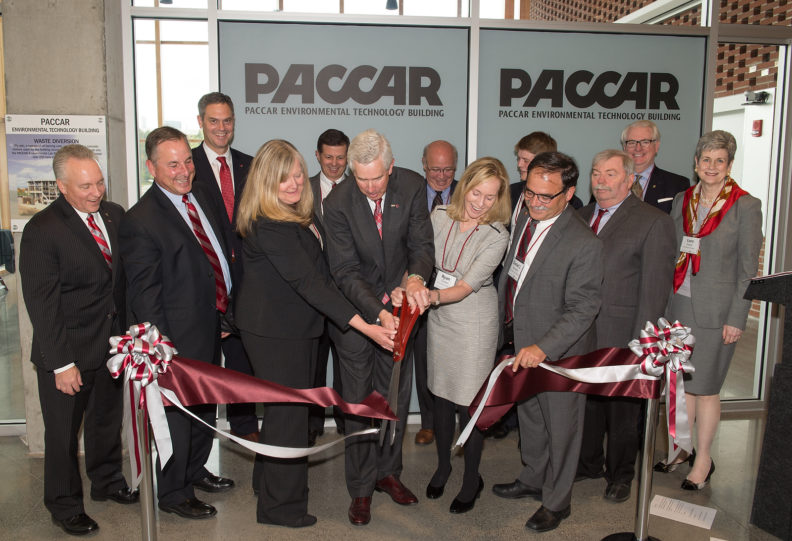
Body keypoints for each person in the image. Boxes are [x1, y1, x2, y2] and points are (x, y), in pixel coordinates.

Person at [234, 139, 395, 528]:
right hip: (275, 332)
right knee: (287, 416)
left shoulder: (296, 213)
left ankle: (266, 485)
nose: (293, 184)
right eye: (282, 179)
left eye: (295, 175)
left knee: (284, 413)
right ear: (263, 181)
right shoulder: (268, 223)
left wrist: (372, 299)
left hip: (300, 327)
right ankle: (280, 509)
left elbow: (327, 271)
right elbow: (311, 283)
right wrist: (368, 327)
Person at [19, 144, 138, 536]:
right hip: (68, 352)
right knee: (63, 435)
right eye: (85, 186)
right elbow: (42, 303)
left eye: (100, 182)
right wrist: (61, 363)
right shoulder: (43, 230)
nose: (95, 192)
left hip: (111, 348)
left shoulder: (114, 215)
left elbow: (119, 283)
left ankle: (107, 482)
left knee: (106, 422)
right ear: (61, 187)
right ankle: (64, 504)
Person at [120, 126, 235, 520]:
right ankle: (173, 492)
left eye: (188, 160)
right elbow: (144, 294)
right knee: (178, 418)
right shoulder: (141, 220)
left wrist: (223, 309)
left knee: (203, 409)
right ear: (151, 167)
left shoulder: (198, 195)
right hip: (176, 341)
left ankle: (194, 469)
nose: (184, 170)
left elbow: (213, 257)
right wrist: (163, 348)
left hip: (211, 323)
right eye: (173, 164)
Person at [322, 129, 434, 526]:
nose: (369, 187)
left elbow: (422, 246)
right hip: (356, 318)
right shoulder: (337, 202)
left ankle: (389, 473)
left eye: (377, 178)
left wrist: (417, 279)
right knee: (357, 402)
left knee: (396, 397)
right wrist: (379, 312)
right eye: (361, 178)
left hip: (403, 309)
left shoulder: (413, 185)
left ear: (391, 165)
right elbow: (345, 272)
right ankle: (361, 488)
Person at [492, 151, 602, 533]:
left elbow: (583, 308)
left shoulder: (582, 243)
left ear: (569, 194)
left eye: (546, 197)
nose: (535, 202)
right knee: (531, 418)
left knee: (562, 428)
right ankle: (533, 477)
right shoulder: (525, 217)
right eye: (531, 194)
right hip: (521, 342)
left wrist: (544, 347)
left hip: (559, 354)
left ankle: (557, 501)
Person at [396, 157, 509, 513]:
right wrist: (410, 282)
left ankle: (471, 478)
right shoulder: (440, 216)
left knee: (468, 405)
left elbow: (464, 287)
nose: (481, 202)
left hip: (473, 323)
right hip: (440, 321)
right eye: (477, 192)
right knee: (441, 397)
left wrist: (428, 296)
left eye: (490, 197)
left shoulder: (497, 235)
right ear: (465, 187)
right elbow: (419, 258)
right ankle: (444, 466)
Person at [658, 130, 762, 490]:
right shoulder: (683, 199)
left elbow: (748, 270)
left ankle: (703, 459)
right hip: (679, 305)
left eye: (720, 160)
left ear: (729, 164)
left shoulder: (745, 206)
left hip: (717, 314)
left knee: (706, 388)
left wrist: (738, 317)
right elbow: (672, 250)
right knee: (680, 387)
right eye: (706, 160)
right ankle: (681, 448)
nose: (712, 166)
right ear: (696, 164)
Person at [576, 150, 676, 502]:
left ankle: (621, 474)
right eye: (596, 173)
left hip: (624, 332)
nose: (601, 181)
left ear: (629, 179)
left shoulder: (652, 221)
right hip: (581, 331)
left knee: (622, 411)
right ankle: (587, 464)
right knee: (588, 403)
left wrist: (642, 344)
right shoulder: (581, 215)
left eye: (610, 174)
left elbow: (655, 288)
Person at [191, 91, 258, 443]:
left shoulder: (250, 164)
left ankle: (245, 429)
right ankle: (200, 439)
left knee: (242, 365)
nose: (221, 128)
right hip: (203, 288)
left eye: (227, 121)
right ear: (200, 121)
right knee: (203, 369)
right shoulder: (186, 166)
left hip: (246, 287)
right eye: (214, 121)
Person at [413, 139, 460, 446]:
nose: (442, 176)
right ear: (424, 165)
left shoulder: (468, 194)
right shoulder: (412, 194)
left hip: (457, 291)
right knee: (423, 358)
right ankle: (428, 422)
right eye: (436, 169)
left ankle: (458, 419)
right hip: (420, 290)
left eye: (449, 169)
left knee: (456, 360)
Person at [308, 128, 351, 442]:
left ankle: (347, 420)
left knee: (348, 366)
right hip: (312, 295)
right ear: (318, 156)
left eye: (340, 157)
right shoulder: (303, 189)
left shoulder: (359, 188)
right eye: (329, 157)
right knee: (313, 364)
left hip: (350, 295)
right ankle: (311, 424)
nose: (335, 164)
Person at [621, 120, 690, 214]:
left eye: (645, 142)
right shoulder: (608, 181)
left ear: (656, 146)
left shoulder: (678, 185)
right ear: (624, 147)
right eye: (632, 142)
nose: (638, 148)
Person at [510, 132, 582, 218]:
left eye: (526, 160)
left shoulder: (573, 205)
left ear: (545, 163)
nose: (519, 164)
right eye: (518, 159)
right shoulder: (511, 191)